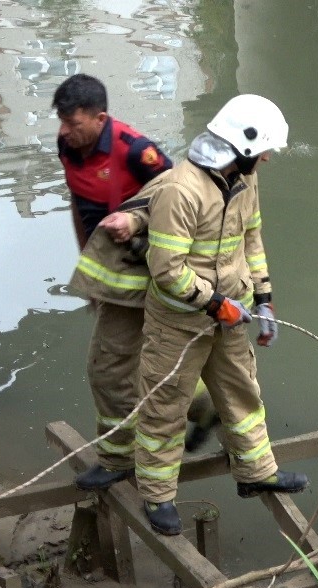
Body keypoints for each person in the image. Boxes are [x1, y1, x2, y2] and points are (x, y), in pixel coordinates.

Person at [124, 94, 308, 536]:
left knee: (242, 394)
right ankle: (157, 495)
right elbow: (167, 270)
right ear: (240, 147)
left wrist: (263, 299)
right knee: (165, 407)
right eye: (263, 151)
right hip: (179, 323)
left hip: (231, 315)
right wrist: (214, 304)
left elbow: (252, 239)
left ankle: (256, 472)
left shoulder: (245, 183)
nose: (266, 159)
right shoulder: (179, 191)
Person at [54, 74, 217, 490]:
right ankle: (205, 405)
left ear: (100, 118)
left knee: (108, 368)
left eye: (72, 123)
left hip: (143, 268)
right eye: (60, 121)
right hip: (109, 266)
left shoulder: (137, 153)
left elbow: (178, 198)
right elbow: (78, 202)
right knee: (141, 356)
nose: (64, 132)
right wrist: (90, 273)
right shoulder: (69, 148)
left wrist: (138, 226)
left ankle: (119, 456)